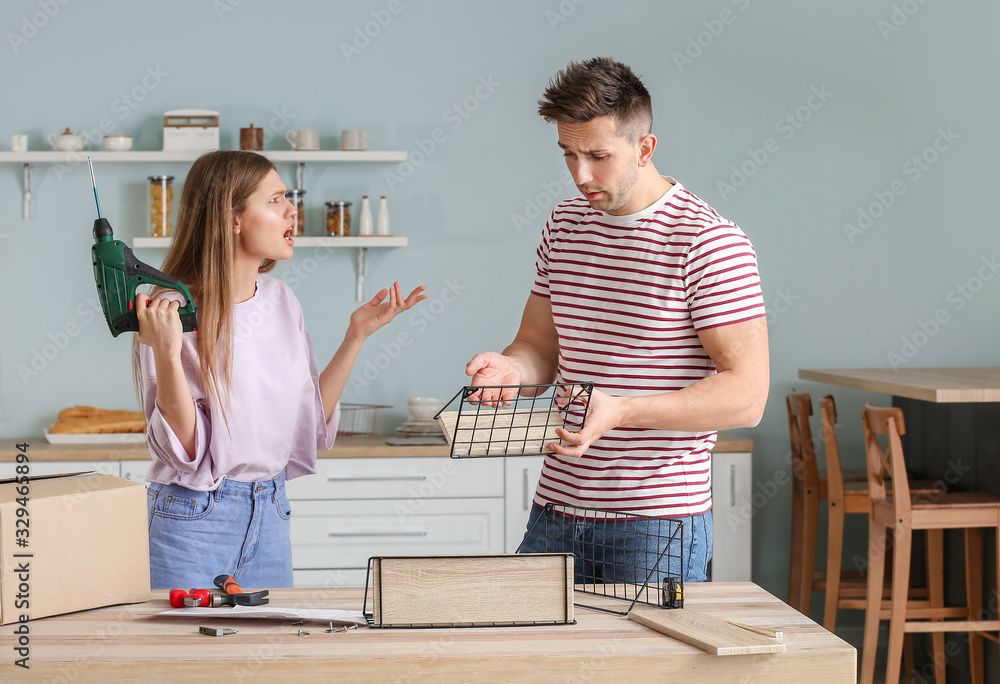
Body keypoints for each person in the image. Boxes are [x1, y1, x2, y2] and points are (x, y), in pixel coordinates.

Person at [466, 58, 769, 585]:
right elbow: (538, 345)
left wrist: (620, 411)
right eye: (568, 154)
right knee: (535, 666)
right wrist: (512, 371)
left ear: (644, 148)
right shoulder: (565, 227)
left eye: (598, 156)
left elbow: (748, 396)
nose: (580, 174)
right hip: (555, 508)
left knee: (643, 670)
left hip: (655, 523)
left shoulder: (707, 242)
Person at [134, 149, 425, 590]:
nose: (292, 211)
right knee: (185, 656)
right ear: (232, 217)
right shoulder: (171, 310)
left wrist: (356, 336)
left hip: (270, 511)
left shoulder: (281, 300)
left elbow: (307, 419)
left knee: (271, 657)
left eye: (288, 198)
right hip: (194, 516)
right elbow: (184, 450)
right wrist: (168, 355)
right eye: (275, 201)